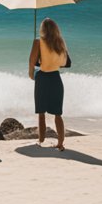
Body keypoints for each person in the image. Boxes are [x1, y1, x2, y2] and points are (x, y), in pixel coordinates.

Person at [29, 17, 68, 150]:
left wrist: (30, 74)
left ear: (43, 29)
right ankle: (60, 143)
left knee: (41, 113)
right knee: (58, 114)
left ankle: (41, 140)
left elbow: (31, 61)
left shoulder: (38, 42)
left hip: (42, 78)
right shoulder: (60, 43)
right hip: (56, 78)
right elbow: (63, 63)